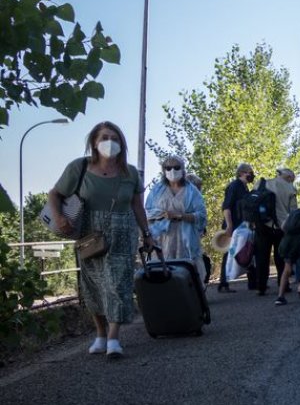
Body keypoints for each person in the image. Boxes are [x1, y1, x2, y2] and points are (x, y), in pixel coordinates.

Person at [46, 122, 155, 359]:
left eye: (115, 138)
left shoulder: (130, 172)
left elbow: (138, 205)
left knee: (118, 283)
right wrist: (59, 217)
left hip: (122, 232)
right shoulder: (80, 167)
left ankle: (114, 338)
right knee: (93, 285)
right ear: (94, 141)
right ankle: (100, 334)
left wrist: (147, 233)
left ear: (122, 144)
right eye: (105, 137)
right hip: (89, 234)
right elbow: (55, 194)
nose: (110, 142)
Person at [144, 154, 208, 288]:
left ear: (183, 169)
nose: (172, 170)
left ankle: (191, 302)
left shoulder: (192, 191)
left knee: (188, 272)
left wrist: (180, 216)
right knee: (163, 273)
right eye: (168, 167)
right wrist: (161, 216)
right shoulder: (157, 191)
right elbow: (147, 213)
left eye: (176, 167)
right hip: (162, 239)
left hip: (186, 239)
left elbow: (201, 215)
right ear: (163, 170)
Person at [257, 167, 297, 295]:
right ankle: (283, 284)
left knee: (262, 256)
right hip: (281, 227)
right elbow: (293, 212)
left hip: (263, 225)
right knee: (281, 257)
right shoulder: (290, 189)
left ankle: (261, 286)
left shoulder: (263, 183)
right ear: (289, 177)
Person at [217, 163, 255, 292]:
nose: (251, 174)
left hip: (243, 226)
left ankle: (253, 282)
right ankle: (223, 283)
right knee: (229, 252)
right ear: (241, 173)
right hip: (233, 225)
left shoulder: (245, 188)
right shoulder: (234, 186)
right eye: (249, 172)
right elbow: (226, 207)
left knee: (248, 250)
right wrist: (229, 225)